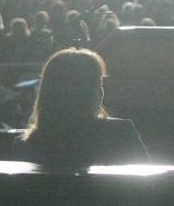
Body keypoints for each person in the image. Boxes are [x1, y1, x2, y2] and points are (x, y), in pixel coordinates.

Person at [12, 48, 149, 168]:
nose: (102, 91)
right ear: (91, 92)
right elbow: (150, 183)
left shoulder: (25, 145)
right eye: (98, 84)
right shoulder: (120, 134)